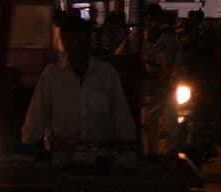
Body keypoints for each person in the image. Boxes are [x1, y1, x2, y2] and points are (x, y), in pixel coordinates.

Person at [22, 14, 137, 156]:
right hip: (62, 157)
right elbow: (36, 115)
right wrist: (29, 148)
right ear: (63, 42)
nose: (76, 44)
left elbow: (122, 115)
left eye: (80, 39)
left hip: (101, 157)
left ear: (88, 40)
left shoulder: (107, 74)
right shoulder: (51, 76)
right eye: (71, 39)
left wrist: (127, 149)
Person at [139, 3, 185, 156]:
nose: (153, 24)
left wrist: (170, 82)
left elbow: (179, 67)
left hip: (166, 92)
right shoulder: (136, 40)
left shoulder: (172, 42)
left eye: (156, 20)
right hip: (144, 94)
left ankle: (169, 160)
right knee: (146, 129)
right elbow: (123, 58)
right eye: (150, 20)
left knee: (168, 127)